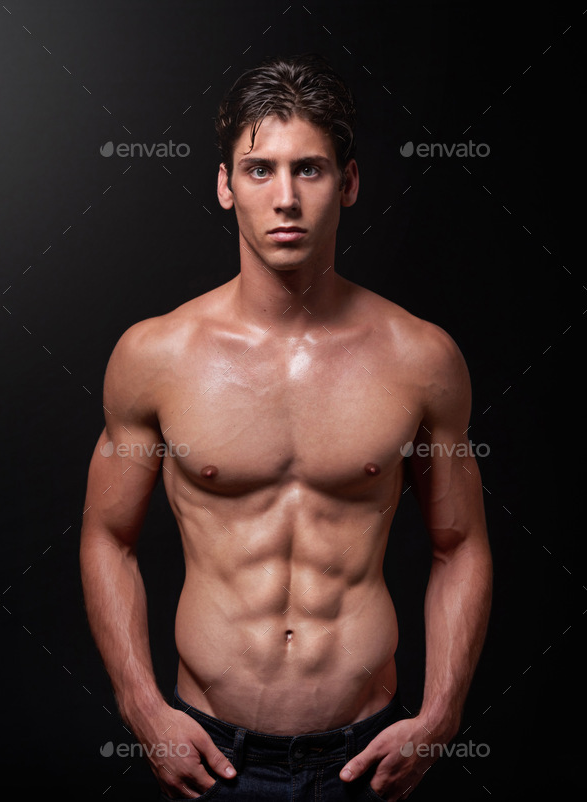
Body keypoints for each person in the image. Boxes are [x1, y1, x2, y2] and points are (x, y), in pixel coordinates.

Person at [80, 53, 492, 802]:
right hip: (210, 755)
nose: (286, 199)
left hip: (369, 756)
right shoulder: (154, 355)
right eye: (259, 169)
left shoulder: (421, 357)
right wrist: (143, 709)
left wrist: (441, 714)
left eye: (310, 170)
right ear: (224, 185)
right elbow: (108, 536)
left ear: (351, 182)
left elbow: (459, 543)